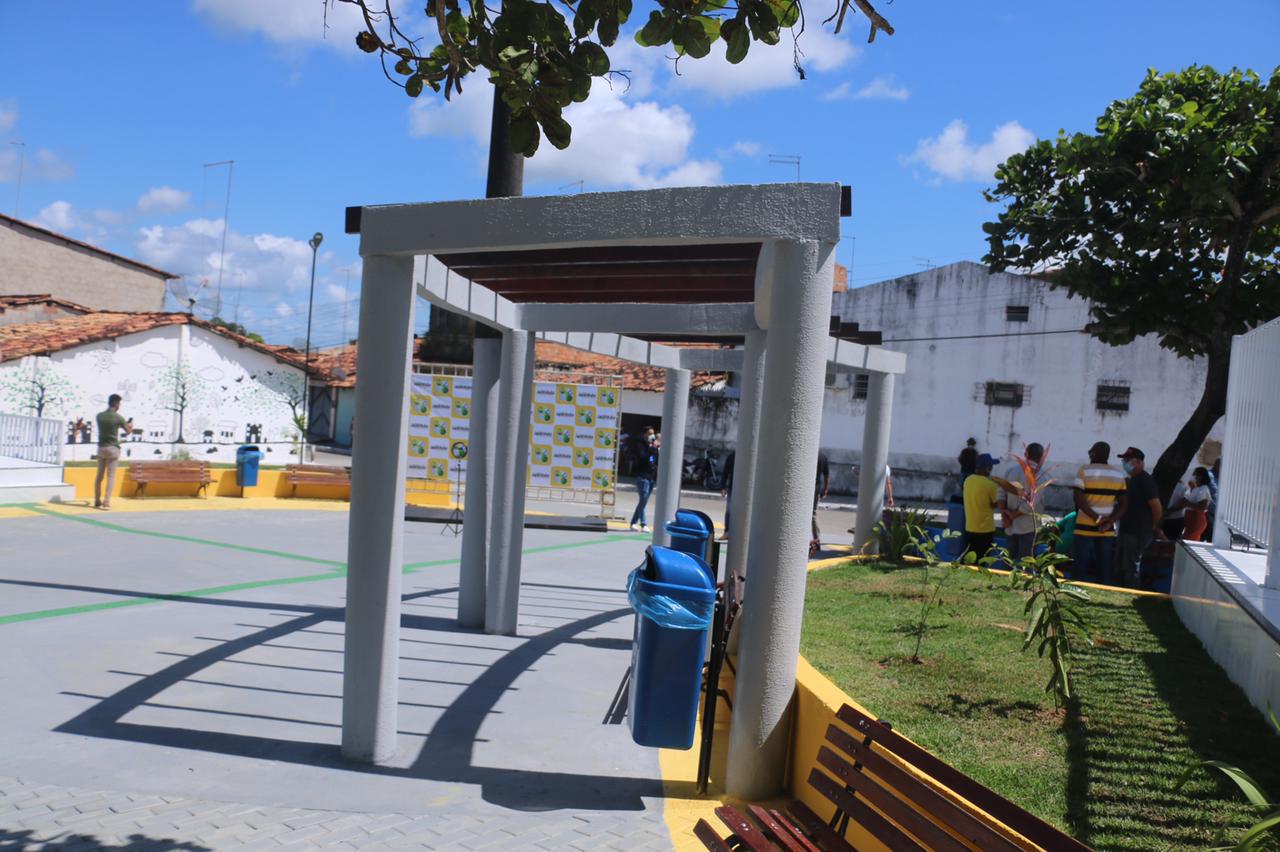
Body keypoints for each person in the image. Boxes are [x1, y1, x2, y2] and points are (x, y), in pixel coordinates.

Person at [1070, 441, 1128, 583]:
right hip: (1106, 528)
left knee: (1080, 565)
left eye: (1090, 452)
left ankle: (1075, 589)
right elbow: (1124, 504)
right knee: (1105, 566)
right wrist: (1110, 521)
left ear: (1093, 454)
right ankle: (1104, 589)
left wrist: (1097, 518)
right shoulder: (1118, 474)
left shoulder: (1084, 470)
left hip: (1084, 527)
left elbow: (1078, 499)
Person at [1114, 447, 1164, 588]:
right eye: (1124, 460)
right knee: (1121, 565)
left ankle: (1132, 592)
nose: (1125, 463)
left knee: (1130, 567)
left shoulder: (1145, 480)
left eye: (1128, 460)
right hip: (1126, 529)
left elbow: (1156, 507)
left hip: (1137, 531)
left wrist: (1155, 527)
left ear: (1139, 462)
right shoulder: (1132, 480)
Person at [962, 453, 1014, 560]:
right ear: (987, 468)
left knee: (969, 558)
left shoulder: (968, 480)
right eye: (991, 467)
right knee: (982, 559)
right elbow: (997, 502)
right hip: (985, 529)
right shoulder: (990, 485)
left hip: (969, 527)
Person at [1000, 443, 1044, 565]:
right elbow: (1032, 503)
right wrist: (1011, 516)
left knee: (1008, 562)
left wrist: (1005, 515)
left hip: (1010, 525)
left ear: (1025, 454)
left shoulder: (1010, 471)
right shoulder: (1040, 475)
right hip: (1028, 527)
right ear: (1041, 458)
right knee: (1026, 565)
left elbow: (1000, 494)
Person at [94, 394, 132, 511]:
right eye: (119, 403)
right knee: (111, 476)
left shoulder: (99, 416)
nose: (119, 406)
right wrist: (130, 426)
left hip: (101, 448)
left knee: (99, 476)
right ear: (116, 403)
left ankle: (97, 500)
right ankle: (106, 502)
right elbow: (128, 431)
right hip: (113, 449)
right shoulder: (118, 418)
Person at [629, 432, 659, 532]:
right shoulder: (640, 445)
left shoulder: (654, 449)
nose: (652, 436)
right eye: (649, 433)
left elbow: (653, 462)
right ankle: (643, 523)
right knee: (643, 500)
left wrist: (655, 449)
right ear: (645, 434)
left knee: (643, 502)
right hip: (642, 477)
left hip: (651, 478)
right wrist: (651, 449)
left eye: (653, 434)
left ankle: (633, 523)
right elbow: (643, 459)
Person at [1182, 467, 1213, 541]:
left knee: (1188, 541)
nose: (1193, 476)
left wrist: (1187, 503)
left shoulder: (1203, 489)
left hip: (1196, 520)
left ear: (1200, 476)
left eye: (1194, 474)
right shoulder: (1196, 488)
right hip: (1191, 520)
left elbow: (1202, 507)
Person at [811, 452, 829, 554]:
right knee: (813, 514)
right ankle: (817, 540)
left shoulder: (809, 454)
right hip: (817, 489)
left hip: (808, 489)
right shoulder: (823, 456)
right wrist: (825, 489)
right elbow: (826, 475)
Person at [719, 450, 735, 538]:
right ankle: (727, 532)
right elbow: (726, 472)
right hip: (732, 487)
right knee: (729, 510)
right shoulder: (732, 456)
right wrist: (723, 487)